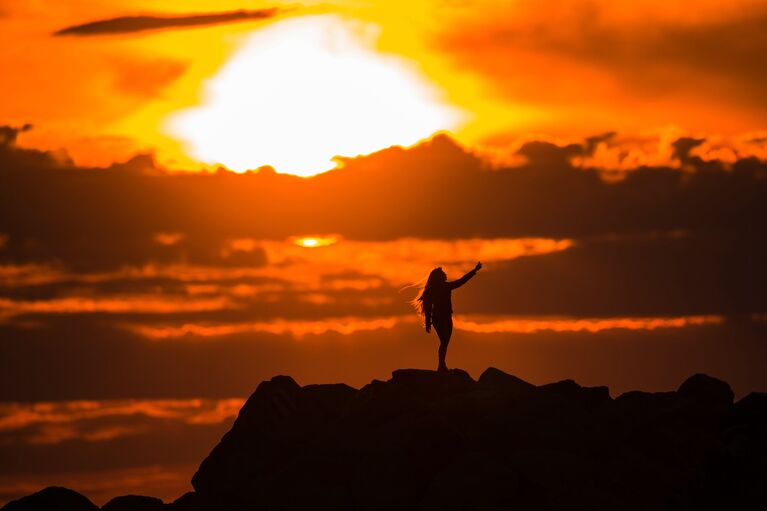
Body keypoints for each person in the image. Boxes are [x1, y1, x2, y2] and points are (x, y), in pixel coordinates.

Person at [413, 261, 482, 372]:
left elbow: (461, 281)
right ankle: (441, 366)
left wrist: (474, 271)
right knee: (444, 342)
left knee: (445, 342)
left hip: (447, 318)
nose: (446, 275)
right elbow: (428, 307)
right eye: (443, 274)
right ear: (439, 277)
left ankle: (442, 365)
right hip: (439, 319)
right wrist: (427, 323)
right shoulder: (437, 289)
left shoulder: (443, 287)